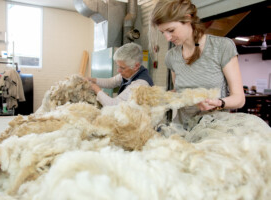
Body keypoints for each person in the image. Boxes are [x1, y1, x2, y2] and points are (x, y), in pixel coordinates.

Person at [150, 0, 245, 128]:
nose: (167, 38)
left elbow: (239, 99)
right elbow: (178, 92)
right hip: (181, 129)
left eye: (171, 30)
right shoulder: (171, 56)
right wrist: (159, 98)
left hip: (213, 130)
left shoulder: (222, 47)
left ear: (187, 18)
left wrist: (218, 102)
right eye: (163, 32)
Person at [88, 43, 154, 106]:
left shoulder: (140, 84)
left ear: (136, 66)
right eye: (118, 66)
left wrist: (96, 89)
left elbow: (112, 105)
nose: (118, 70)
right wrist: (91, 80)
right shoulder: (131, 73)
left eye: (122, 68)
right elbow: (111, 82)